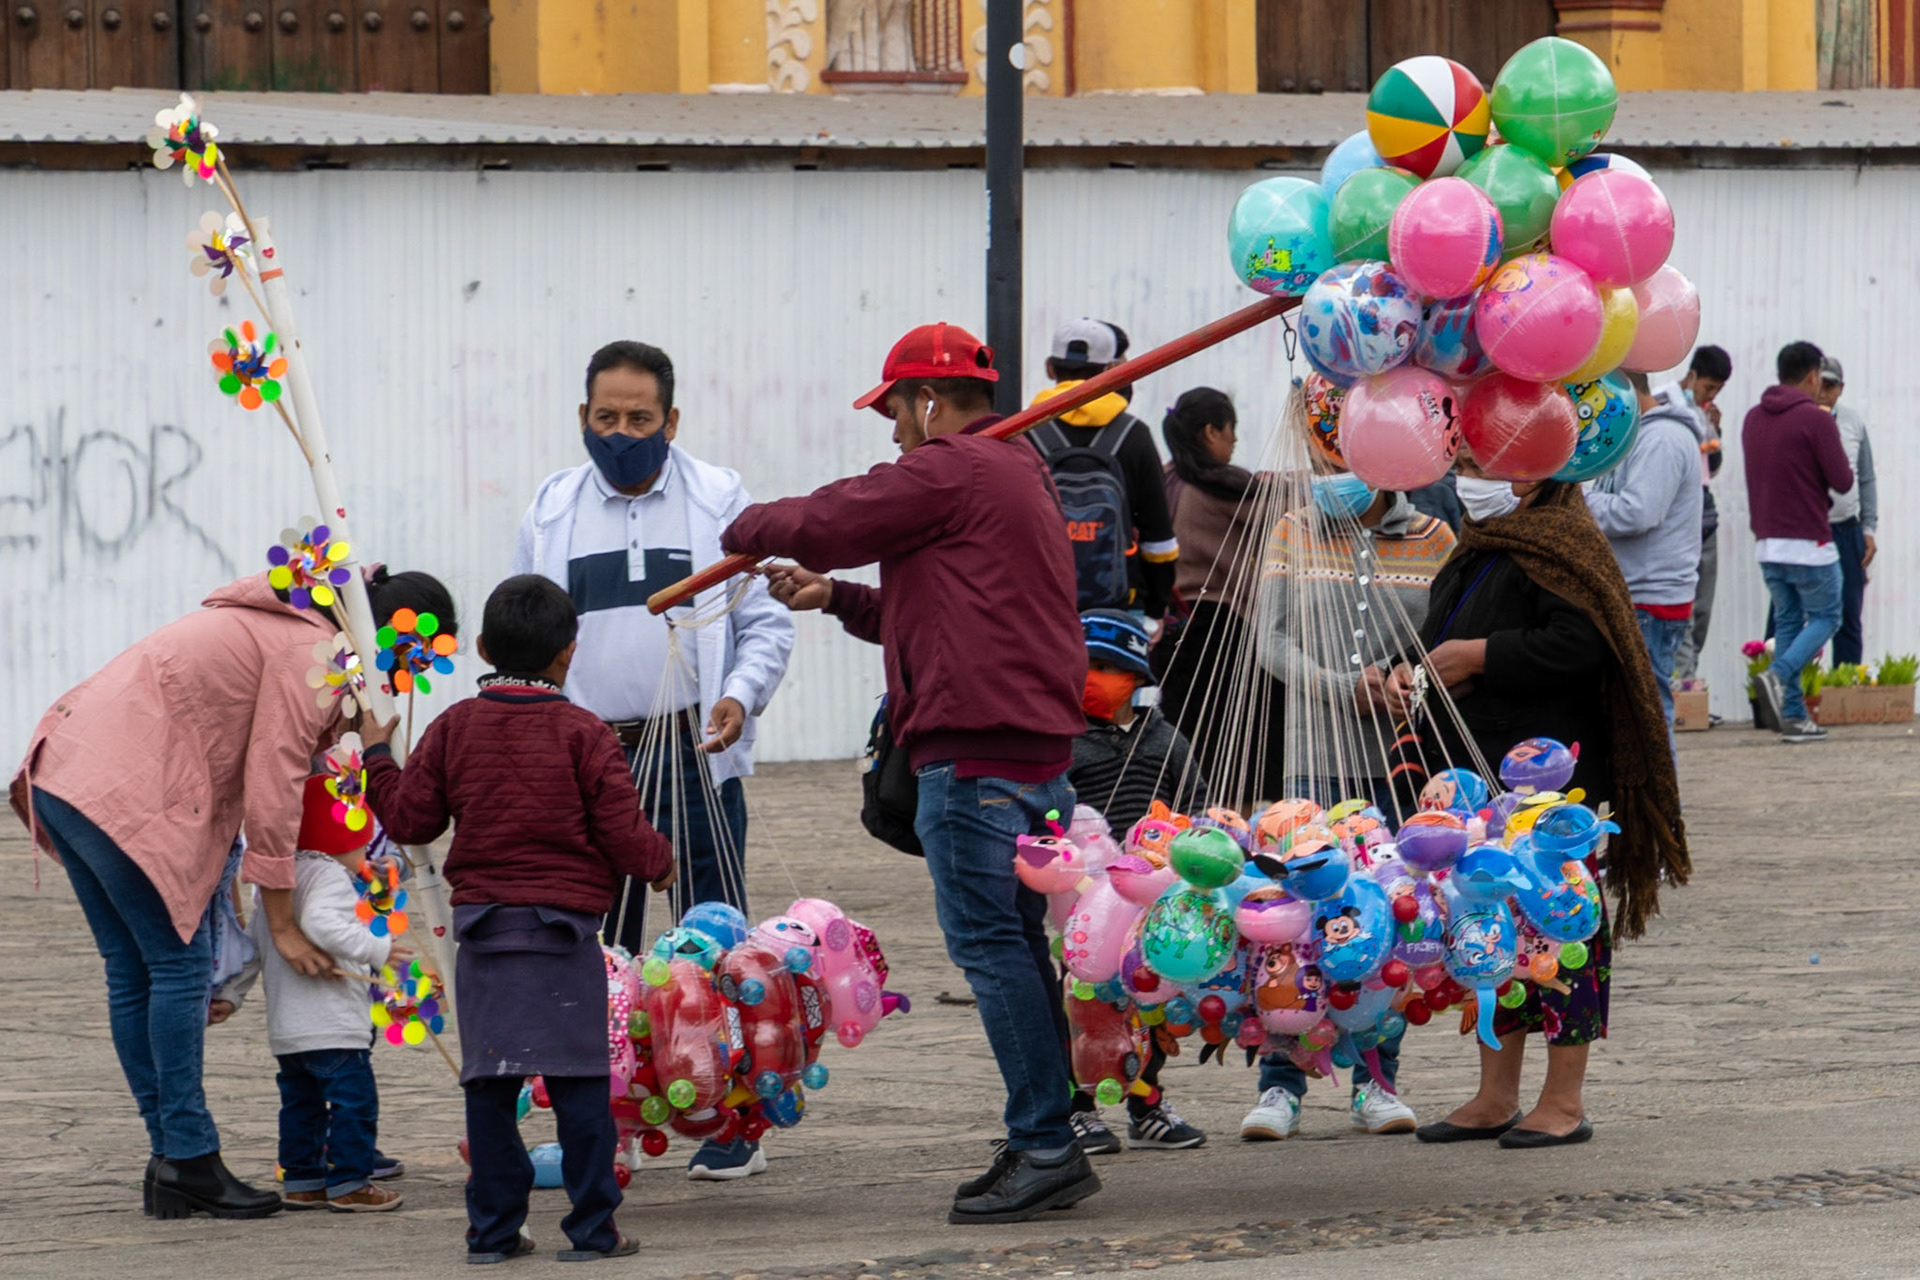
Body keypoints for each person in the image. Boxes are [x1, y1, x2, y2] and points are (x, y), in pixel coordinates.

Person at [722, 322, 1100, 1225]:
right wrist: (837, 597)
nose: (892, 434)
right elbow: (945, 609)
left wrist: (737, 524)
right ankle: (1048, 1131)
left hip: (977, 759)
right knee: (1016, 950)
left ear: (926, 401)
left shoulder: (955, 465)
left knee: (991, 951)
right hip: (1026, 753)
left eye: (895, 411)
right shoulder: (1013, 472)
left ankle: (1047, 1144)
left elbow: (834, 518)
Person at [10, 568, 454, 1220]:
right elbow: (275, 787)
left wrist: (352, 724)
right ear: (390, 634)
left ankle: (172, 1160)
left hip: (66, 771)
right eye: (411, 660)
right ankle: (186, 1157)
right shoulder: (311, 654)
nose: (402, 681)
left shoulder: (296, 628)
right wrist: (283, 924)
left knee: (135, 971)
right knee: (176, 965)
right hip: (119, 790)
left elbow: (294, 766)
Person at [513, 340, 792, 1182]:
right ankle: (606, 1124)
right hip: (590, 752)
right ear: (582, 419)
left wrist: (739, 698)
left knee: (713, 942)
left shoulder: (719, 501)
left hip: (693, 747)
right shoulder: (552, 507)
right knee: (595, 945)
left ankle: (733, 1120)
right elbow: (528, 628)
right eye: (607, 418)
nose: (622, 432)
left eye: (640, 418)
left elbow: (766, 624)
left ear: (672, 421)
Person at [362, 574, 674, 1263]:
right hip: (563, 938)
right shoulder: (586, 734)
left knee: (491, 1084)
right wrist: (662, 862)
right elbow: (625, 836)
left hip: (485, 937)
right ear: (569, 652)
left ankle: (494, 1235)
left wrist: (377, 756)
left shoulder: (452, 728)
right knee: (581, 1086)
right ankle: (594, 1232)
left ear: (479, 647)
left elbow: (412, 817)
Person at [1386, 446, 1688, 1149]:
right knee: (1492, 928)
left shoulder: (1565, 542)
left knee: (1562, 931)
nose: (1468, 479)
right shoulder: (1481, 544)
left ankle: (1563, 1100)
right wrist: (1412, 672)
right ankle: (1495, 1095)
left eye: (1481, 464)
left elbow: (1582, 642)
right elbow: (1441, 640)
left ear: (1530, 471)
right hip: (1483, 773)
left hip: (1556, 782)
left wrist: (1480, 656)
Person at [1241, 453, 1453, 1144]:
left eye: (1344, 457)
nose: (1331, 470)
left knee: (1386, 926)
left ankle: (1376, 1081)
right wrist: (1341, 684)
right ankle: (1281, 1084)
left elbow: (1442, 644)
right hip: (1310, 766)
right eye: (1321, 458)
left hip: (1391, 767)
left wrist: (1406, 679)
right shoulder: (1292, 530)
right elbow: (1267, 641)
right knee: (1292, 926)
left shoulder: (1434, 539)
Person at [1065, 608, 1207, 1155]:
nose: (1092, 679)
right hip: (1081, 904)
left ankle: (1145, 1103)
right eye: (1084, 666)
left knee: (1150, 1000)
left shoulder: (1166, 739)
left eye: (1105, 666)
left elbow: (1195, 807)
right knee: (1081, 1005)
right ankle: (1077, 1108)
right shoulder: (1061, 738)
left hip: (1152, 896)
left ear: (1135, 677)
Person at [232, 776, 408, 1213]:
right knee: (354, 1103)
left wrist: (230, 995)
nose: (364, 856)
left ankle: (303, 1180)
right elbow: (322, 925)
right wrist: (378, 949)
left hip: (289, 1031)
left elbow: (251, 946)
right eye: (361, 844)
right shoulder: (329, 874)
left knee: (301, 1107)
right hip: (333, 1025)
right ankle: (350, 1181)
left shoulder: (277, 883)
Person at [1156, 387, 1288, 805]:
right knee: (1241, 753)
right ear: (1211, 431)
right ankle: (1236, 839)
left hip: (1171, 634)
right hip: (1222, 634)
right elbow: (1288, 509)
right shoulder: (1226, 488)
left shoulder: (1166, 479)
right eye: (1232, 431)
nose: (1234, 442)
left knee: (1191, 751)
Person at [1029, 318, 1178, 618]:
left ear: (1049, 368)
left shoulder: (1024, 433)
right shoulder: (1134, 435)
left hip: (1041, 608)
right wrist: (1156, 608)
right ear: (1112, 371)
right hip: (1120, 606)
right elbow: (1159, 538)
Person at [1743, 341, 1854, 743]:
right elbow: (1843, 480)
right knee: (1828, 617)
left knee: (1788, 621)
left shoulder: (1753, 417)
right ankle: (1778, 675)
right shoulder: (1817, 419)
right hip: (1808, 542)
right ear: (1812, 376)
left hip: (1768, 544)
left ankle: (1793, 716)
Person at [1585, 370, 1704, 739]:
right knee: (1635, 719)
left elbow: (1638, 512)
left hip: (1650, 603)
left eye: (1598, 402)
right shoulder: (1636, 438)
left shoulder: (1662, 439)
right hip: (1637, 599)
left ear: (1624, 394)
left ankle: (1661, 798)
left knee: (1647, 721)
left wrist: (1578, 498)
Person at [1657, 345, 1732, 684]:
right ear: (1692, 376)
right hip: (1676, 516)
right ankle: (1682, 686)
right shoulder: (1662, 404)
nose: (1711, 394)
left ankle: (1689, 684)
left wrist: (1718, 430)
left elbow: (1712, 466)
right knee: (1682, 606)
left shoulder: (1705, 414)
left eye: (1718, 390)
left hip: (1705, 517)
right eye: (1709, 387)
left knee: (1702, 608)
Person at [1817, 356, 1878, 667]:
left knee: (1849, 615)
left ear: (1841, 388)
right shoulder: (1803, 421)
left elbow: (1865, 478)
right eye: (1821, 384)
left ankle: (1846, 689)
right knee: (1797, 616)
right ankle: (1793, 694)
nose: (1824, 392)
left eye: (1831, 386)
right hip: (1812, 532)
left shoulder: (1853, 422)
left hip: (1847, 530)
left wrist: (1869, 529)